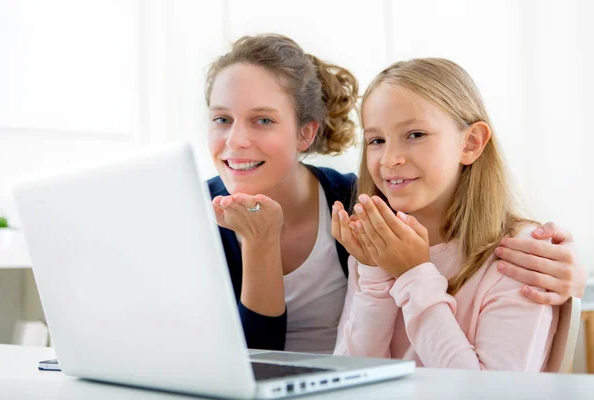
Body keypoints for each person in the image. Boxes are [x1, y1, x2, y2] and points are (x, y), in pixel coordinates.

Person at [204, 34, 587, 353]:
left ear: (306, 133)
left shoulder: (362, 207)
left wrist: (571, 276)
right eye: (222, 119)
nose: (237, 140)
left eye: (263, 120)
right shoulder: (186, 211)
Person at [333, 58, 567, 371]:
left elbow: (488, 395)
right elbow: (350, 378)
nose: (389, 159)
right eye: (376, 140)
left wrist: (414, 275)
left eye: (415, 134)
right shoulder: (374, 247)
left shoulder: (520, 255)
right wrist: (375, 274)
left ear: (471, 143)